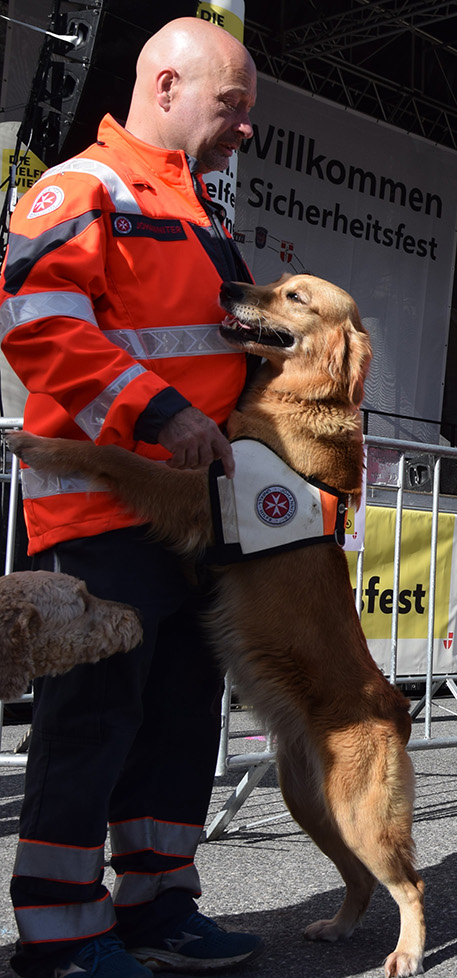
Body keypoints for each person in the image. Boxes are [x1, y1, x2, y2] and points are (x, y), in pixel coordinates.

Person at [0, 19, 261, 977]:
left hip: (190, 518)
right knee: (93, 718)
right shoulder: (85, 186)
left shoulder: (198, 210)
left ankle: (158, 907)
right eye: (231, 107)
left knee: (182, 716)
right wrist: (160, 418)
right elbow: (38, 323)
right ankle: (61, 934)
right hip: (99, 511)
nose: (242, 131)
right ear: (165, 85)